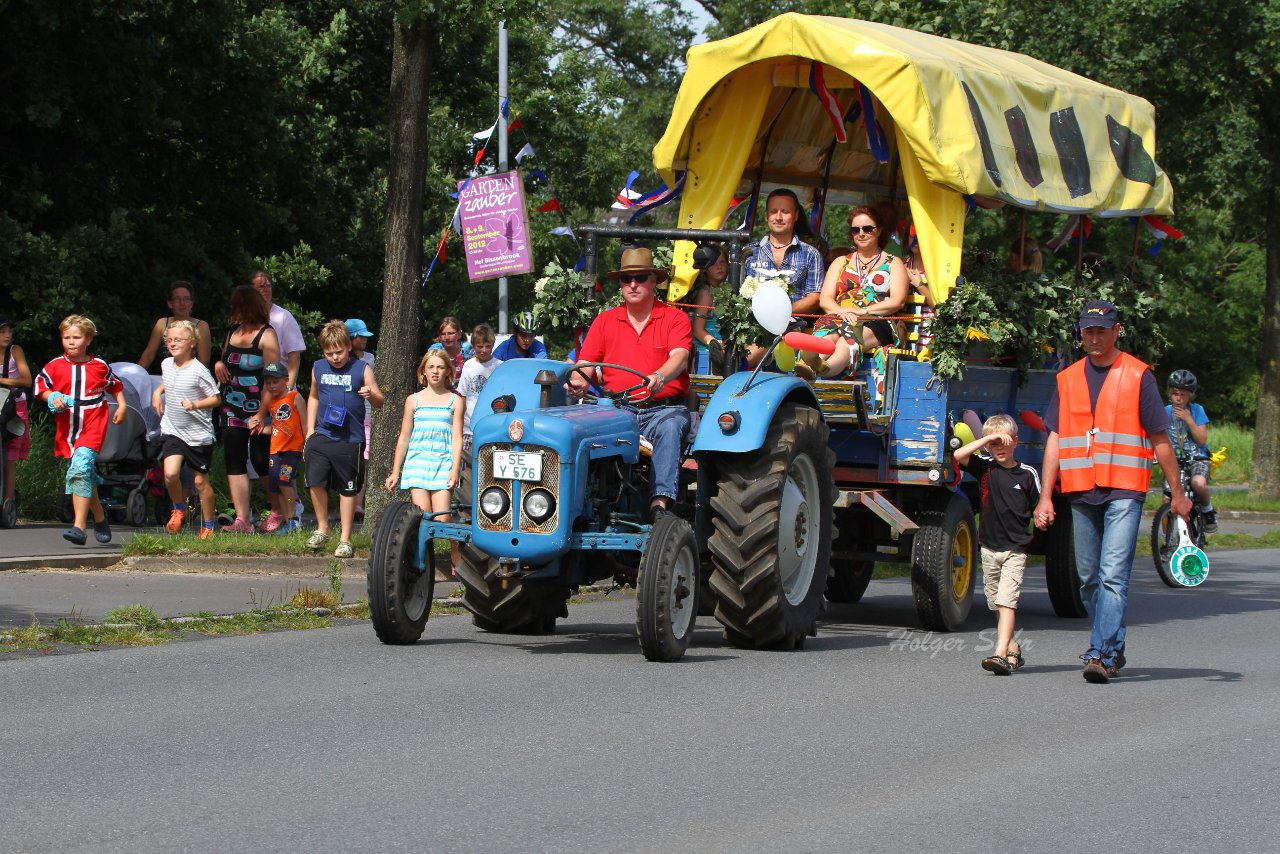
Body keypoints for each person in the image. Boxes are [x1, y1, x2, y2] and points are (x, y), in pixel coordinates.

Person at [1034, 300, 1191, 684]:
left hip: (1124, 489)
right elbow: (1055, 438)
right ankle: (1114, 647)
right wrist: (1044, 496)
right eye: (1088, 331)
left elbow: (1160, 437)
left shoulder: (1138, 376)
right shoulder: (1068, 378)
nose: (1094, 337)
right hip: (1081, 488)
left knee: (1112, 575)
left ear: (1116, 331)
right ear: (1081, 333)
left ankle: (1100, 653)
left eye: (1101, 330)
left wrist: (1177, 492)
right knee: (1088, 578)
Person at [568, 247, 691, 517]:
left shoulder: (675, 318)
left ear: (654, 281)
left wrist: (660, 375)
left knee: (670, 428)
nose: (633, 284)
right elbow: (585, 364)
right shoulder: (605, 321)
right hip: (619, 409)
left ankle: (660, 504)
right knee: (580, 429)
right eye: (627, 279)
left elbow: (679, 358)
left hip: (663, 409)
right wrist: (577, 380)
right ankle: (584, 504)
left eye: (641, 277)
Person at [953, 413, 1040, 675]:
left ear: (1016, 441)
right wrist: (987, 438)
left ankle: (999, 653)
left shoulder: (1027, 474)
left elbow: (1039, 505)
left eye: (1004, 442)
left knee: (1007, 602)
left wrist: (1042, 515)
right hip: (989, 547)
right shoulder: (985, 468)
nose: (999, 449)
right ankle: (1013, 649)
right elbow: (957, 457)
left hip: (1015, 549)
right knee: (995, 603)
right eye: (994, 445)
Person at [34, 315, 127, 546]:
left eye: (76, 337)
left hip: (94, 422)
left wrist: (123, 405)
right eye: (66, 337)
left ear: (88, 339)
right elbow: (39, 387)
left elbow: (115, 386)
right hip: (68, 428)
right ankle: (100, 516)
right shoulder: (54, 365)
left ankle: (79, 527)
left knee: (81, 467)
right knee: (84, 475)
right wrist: (52, 396)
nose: (71, 342)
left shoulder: (99, 366)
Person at [305, 320, 384, 558]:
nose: (335, 358)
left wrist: (370, 395)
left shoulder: (361, 368)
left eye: (339, 352)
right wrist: (309, 430)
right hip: (322, 434)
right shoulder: (318, 367)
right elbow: (313, 396)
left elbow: (380, 401)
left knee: (347, 487)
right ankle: (322, 528)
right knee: (315, 481)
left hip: (350, 437)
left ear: (348, 347)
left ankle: (345, 538)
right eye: (329, 353)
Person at [213, 284, 280, 533]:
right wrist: (219, 363)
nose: (233, 312)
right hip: (232, 405)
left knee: (262, 460)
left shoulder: (267, 335)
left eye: (237, 307)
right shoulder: (232, 331)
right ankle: (242, 519)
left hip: (260, 406)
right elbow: (224, 357)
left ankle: (278, 508)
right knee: (234, 459)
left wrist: (262, 414)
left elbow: (273, 379)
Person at [150, 320, 220, 539]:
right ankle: (179, 509)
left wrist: (195, 405)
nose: (172, 343)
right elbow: (169, 380)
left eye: (178, 339)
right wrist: (156, 393)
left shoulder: (199, 371)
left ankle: (208, 526)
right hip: (172, 429)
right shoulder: (166, 364)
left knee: (200, 482)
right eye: (169, 340)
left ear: (192, 343)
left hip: (198, 435)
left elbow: (216, 399)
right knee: (170, 474)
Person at [385, 350, 462, 521]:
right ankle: (423, 549)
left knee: (442, 518)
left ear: (448, 371)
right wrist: (395, 471)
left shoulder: (455, 401)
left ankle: (455, 548)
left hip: (443, 463)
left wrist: (455, 470)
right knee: (423, 516)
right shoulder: (413, 400)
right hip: (417, 463)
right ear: (423, 371)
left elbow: (457, 438)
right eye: (431, 367)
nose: (435, 371)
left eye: (440, 367)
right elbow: (404, 437)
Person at [744, 189, 824, 317]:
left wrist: (781, 312)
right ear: (766, 215)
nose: (778, 217)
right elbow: (733, 291)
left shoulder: (811, 254)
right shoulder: (747, 252)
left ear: (796, 215)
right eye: (773, 211)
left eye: (785, 212)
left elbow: (814, 299)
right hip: (751, 325)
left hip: (793, 327)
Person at [1165, 369, 1216, 532]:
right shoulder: (1164, 412)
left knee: (1198, 483)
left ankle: (1208, 511)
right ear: (1169, 394)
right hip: (1174, 460)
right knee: (1167, 498)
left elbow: (1202, 439)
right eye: (1175, 394)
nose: (1178, 398)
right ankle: (1167, 538)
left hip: (1197, 458)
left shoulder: (1196, 410)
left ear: (1190, 396)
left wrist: (1188, 419)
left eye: (1183, 395)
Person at [260, 361, 306, 534]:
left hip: (292, 449)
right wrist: (260, 429)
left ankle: (294, 521)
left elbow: (304, 422)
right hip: (275, 450)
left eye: (275, 382)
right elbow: (277, 426)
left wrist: (306, 445)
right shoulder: (271, 402)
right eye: (268, 382)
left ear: (286, 380)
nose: (271, 386)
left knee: (283, 481)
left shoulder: (295, 397)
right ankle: (289, 518)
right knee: (277, 486)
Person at [249, 270, 306, 388]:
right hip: (250, 389)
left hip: (278, 388)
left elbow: (294, 357)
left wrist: (288, 388)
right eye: (261, 286)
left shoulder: (283, 316)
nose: (266, 289)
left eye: (268, 286)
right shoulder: (243, 320)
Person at [138, 281, 212, 370]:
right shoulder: (162, 323)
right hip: (164, 377)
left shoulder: (201, 326)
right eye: (177, 299)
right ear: (170, 303)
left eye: (186, 299)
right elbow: (148, 355)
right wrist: (137, 376)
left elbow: (204, 362)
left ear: (191, 303)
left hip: (190, 379)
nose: (182, 303)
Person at [1, 315, 33, 522]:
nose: (7, 335)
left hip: (14, 408)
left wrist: (2, 380)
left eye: (9, 331)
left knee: (10, 459)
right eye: (2, 331)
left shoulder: (15, 352)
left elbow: (26, 380)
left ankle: (7, 503)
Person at [345, 318, 375, 520]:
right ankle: (346, 501)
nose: (364, 339)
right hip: (347, 415)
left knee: (363, 459)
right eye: (360, 336)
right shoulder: (342, 359)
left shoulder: (370, 359)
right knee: (347, 459)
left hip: (367, 415)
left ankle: (357, 504)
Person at [456, 324, 501, 455]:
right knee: (467, 470)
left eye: (487, 346)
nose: (484, 350)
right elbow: (462, 395)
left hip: (492, 429)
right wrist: (458, 425)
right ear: (474, 346)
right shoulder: (469, 365)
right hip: (469, 428)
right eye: (480, 346)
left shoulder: (499, 366)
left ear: (492, 345)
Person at [690, 242, 728, 373]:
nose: (719, 267)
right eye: (713, 263)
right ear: (705, 267)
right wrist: (716, 344)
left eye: (722, 262)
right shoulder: (706, 293)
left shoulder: (722, 291)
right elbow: (698, 330)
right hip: (706, 354)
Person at [428, 316, 473, 381]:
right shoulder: (435, 350)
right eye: (443, 334)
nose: (447, 337)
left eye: (451, 333)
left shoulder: (468, 350)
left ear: (459, 334)